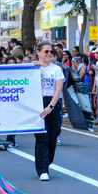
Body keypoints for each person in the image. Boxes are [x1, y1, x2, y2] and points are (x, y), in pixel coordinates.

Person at [35, 42, 65, 181]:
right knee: (42, 137)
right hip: (37, 103)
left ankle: (47, 162)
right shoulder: (33, 68)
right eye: (45, 51)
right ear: (38, 52)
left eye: (50, 51)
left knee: (52, 137)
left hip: (52, 104)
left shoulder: (57, 69)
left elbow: (58, 90)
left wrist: (51, 107)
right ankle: (42, 169)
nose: (48, 54)